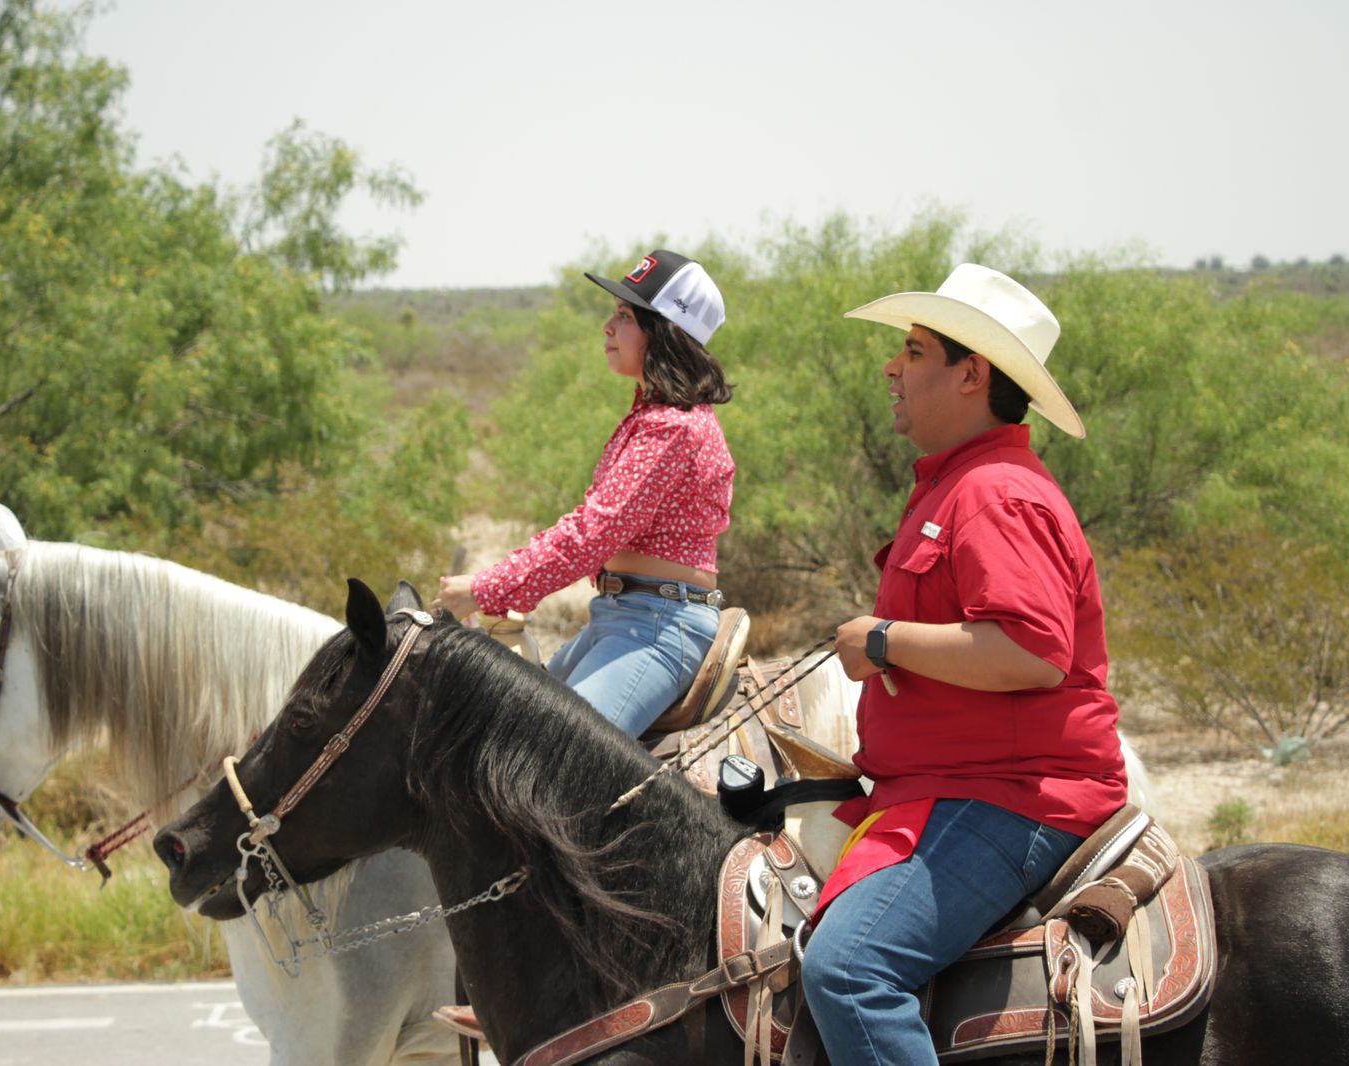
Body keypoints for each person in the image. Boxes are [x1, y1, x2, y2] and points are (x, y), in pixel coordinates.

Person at [799, 264, 1128, 1065]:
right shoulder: (962, 484)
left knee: (850, 969)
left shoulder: (992, 493)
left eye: (913, 350)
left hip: (1013, 798)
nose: (891, 367)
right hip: (951, 787)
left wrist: (880, 641)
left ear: (972, 374)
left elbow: (1030, 651)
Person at [433, 250, 735, 739]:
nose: (607, 327)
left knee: (547, 763)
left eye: (625, 316)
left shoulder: (670, 428)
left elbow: (592, 533)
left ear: (664, 333)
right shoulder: (652, 420)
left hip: (657, 627)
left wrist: (485, 588)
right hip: (623, 618)